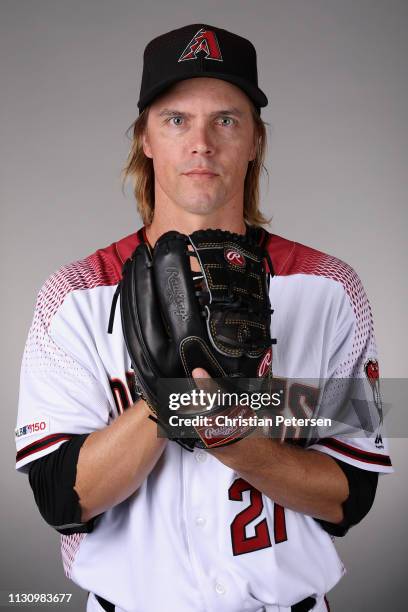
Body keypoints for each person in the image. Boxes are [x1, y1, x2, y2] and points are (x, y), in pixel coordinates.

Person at [15, 24, 393, 612]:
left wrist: (236, 436)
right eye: (175, 120)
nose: (202, 143)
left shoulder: (330, 288)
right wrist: (166, 401)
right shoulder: (74, 293)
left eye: (226, 119)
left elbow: (352, 497)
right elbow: (61, 500)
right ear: (145, 137)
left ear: (255, 140)